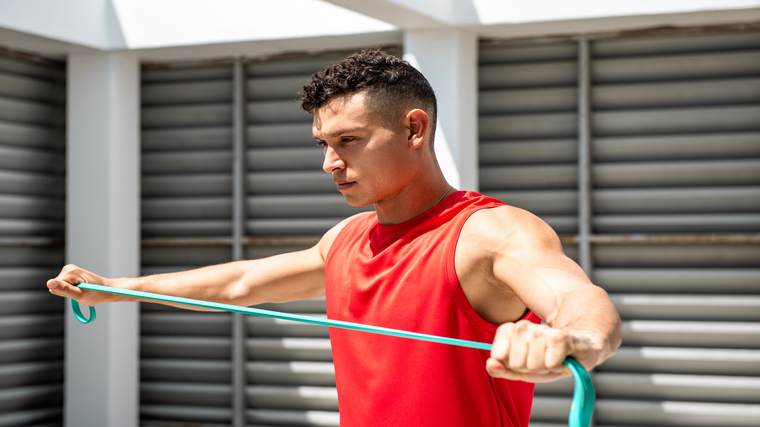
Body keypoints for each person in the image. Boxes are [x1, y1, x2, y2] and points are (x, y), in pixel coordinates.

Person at [48, 49, 621, 427]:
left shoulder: (486, 231)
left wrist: (571, 342)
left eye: (347, 141)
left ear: (413, 129)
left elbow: (580, 301)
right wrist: (116, 289)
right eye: (323, 144)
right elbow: (243, 281)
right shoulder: (347, 238)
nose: (329, 162)